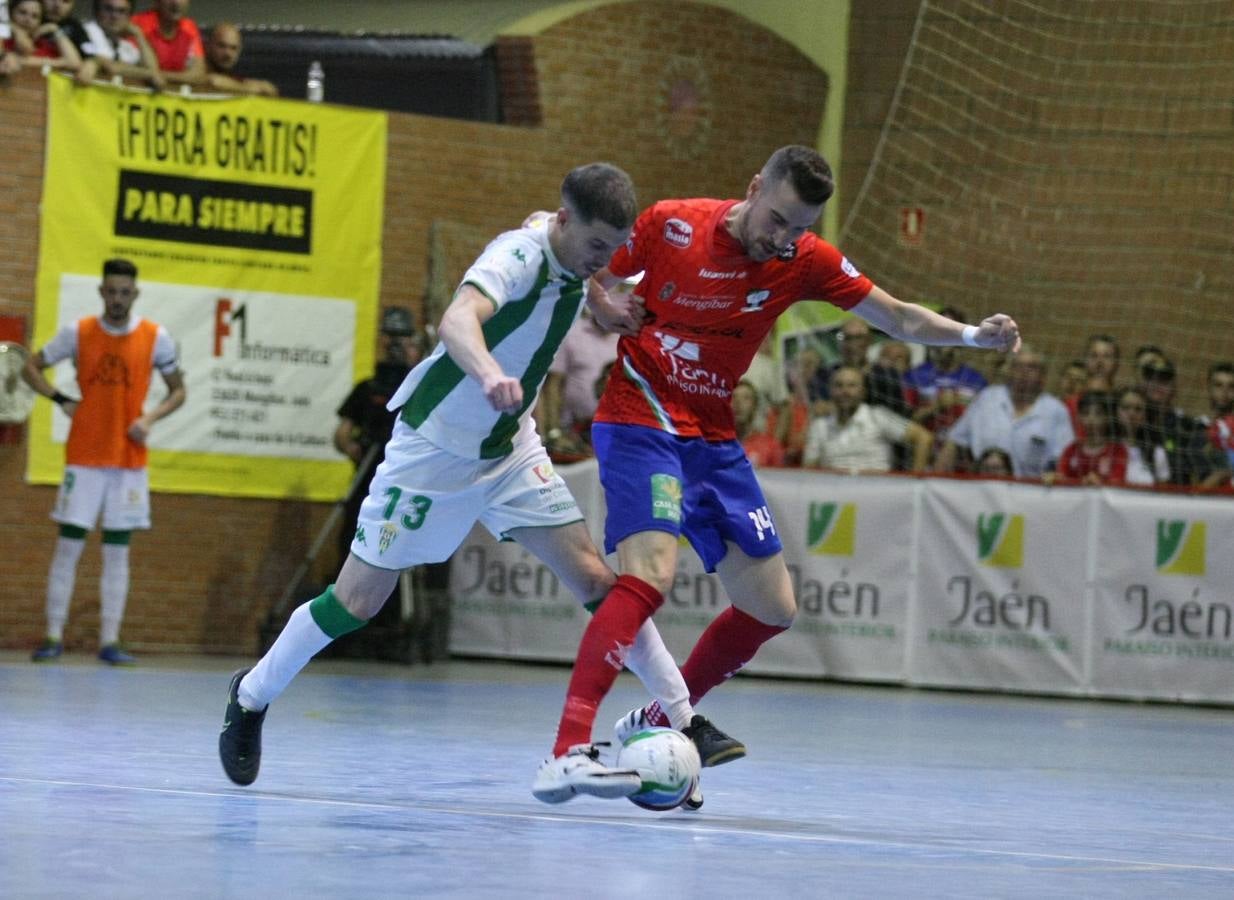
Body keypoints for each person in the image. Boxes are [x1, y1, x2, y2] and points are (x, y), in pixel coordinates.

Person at [537, 145, 1020, 801]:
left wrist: (972, 338)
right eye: (779, 219)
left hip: (713, 435)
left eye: (802, 228)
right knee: (650, 576)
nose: (785, 238)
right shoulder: (671, 224)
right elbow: (583, 271)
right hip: (640, 415)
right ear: (754, 185)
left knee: (772, 607)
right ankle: (566, 751)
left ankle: (655, 722)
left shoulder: (804, 262)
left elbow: (899, 316)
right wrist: (603, 304)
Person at [219, 163, 701, 808]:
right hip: (433, 452)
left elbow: (572, 265)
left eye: (612, 252)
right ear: (565, 222)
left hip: (507, 451)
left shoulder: (562, 241)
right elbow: (457, 319)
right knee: (355, 603)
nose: (603, 261)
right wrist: (488, 374)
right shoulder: (518, 255)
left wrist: (603, 300)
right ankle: (250, 697)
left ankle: (684, 718)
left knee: (595, 579)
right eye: (596, 249)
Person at [21, 258, 185, 664]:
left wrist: (148, 418)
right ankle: (53, 635)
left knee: (117, 552)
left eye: (124, 292)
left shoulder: (154, 337)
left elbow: (178, 391)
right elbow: (29, 366)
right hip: (85, 456)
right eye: (111, 291)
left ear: (135, 293)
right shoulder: (77, 333)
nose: (117, 298)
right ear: (101, 292)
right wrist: (61, 399)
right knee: (68, 548)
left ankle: (110, 641)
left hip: (128, 461)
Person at [332, 306, 423, 571]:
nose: (395, 344)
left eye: (402, 337)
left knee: (395, 551)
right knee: (352, 541)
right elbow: (341, 434)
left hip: (402, 485)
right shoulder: (368, 388)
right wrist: (351, 448)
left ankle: (393, 611)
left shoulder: (415, 387)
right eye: (391, 336)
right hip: (366, 483)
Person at [935, 346, 1073, 477]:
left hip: (1030, 493)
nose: (1024, 372)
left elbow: (1064, 458)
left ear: (1043, 376)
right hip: (983, 488)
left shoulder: (1056, 411)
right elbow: (954, 441)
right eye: (1018, 366)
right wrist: (936, 481)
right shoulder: (987, 399)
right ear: (1009, 371)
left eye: (1031, 367)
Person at [535, 274, 630, 459]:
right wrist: (553, 432)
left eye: (613, 297)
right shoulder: (572, 332)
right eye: (603, 296)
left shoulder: (626, 336)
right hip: (575, 430)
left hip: (618, 431)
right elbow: (553, 384)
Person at [802, 365, 931, 472]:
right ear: (830, 391)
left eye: (851, 386)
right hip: (834, 494)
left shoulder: (878, 416)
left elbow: (924, 438)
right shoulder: (819, 425)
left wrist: (914, 480)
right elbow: (808, 468)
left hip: (877, 492)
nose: (845, 391)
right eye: (839, 386)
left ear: (863, 392)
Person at [902, 305, 987, 456]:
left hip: (962, 456)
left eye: (949, 332)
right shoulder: (914, 376)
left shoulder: (976, 380)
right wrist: (937, 406)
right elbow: (904, 422)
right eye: (939, 331)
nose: (944, 338)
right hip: (922, 453)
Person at [76, 0, 162, 89]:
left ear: (129, 17)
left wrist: (139, 35)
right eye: (108, 9)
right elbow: (110, 66)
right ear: (97, 11)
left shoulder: (126, 46)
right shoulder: (85, 31)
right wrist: (147, 74)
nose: (115, 16)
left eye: (122, 11)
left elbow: (154, 72)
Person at [1049, 391, 1127, 485]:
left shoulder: (1118, 451)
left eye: (1098, 413)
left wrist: (1100, 483)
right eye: (1086, 413)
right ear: (1079, 417)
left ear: (1107, 418)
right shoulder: (1071, 450)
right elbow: (1061, 478)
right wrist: (1054, 478)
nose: (1091, 418)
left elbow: (1117, 483)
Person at [129, 0, 201, 81]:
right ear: (156, 2)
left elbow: (198, 74)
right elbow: (130, 69)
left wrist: (158, 75)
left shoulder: (190, 27)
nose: (176, 2)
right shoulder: (137, 24)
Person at [201, 21, 276, 96]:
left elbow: (269, 89)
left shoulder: (234, 80)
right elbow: (212, 82)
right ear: (208, 46)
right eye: (222, 46)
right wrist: (249, 89)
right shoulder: (196, 72)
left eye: (233, 48)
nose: (227, 53)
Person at [3, 0, 82, 68]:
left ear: (40, 22)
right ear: (10, 13)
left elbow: (74, 63)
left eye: (35, 16)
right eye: (22, 12)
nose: (27, 20)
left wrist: (54, 29)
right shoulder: (2, 41)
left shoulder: (43, 45)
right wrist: (16, 31)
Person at [732, 378, 785, 467]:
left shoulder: (771, 446)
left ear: (755, 407)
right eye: (733, 397)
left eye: (746, 398)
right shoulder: (716, 446)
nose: (738, 402)